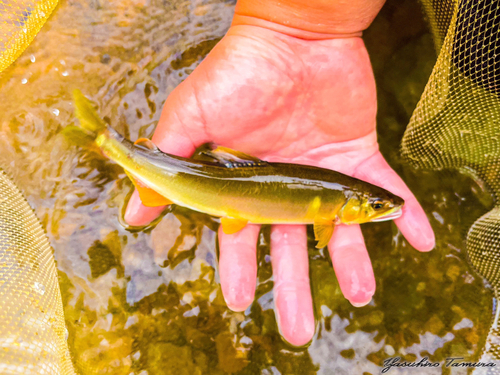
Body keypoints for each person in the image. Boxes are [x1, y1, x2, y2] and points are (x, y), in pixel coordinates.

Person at [124, 0, 435, 346]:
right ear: (348, 205)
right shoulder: (333, 210)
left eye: (378, 206)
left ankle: (113, 148)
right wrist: (295, 23)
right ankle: (110, 147)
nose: (385, 210)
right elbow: (323, 233)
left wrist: (299, 21)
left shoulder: (336, 204)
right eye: (377, 206)